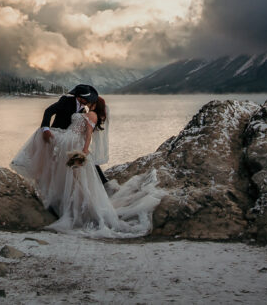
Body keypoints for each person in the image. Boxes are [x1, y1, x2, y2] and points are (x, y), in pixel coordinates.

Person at [11, 84, 162, 237]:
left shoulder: (86, 112)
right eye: (87, 99)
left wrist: (84, 148)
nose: (88, 102)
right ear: (80, 97)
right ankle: (37, 175)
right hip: (58, 138)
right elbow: (48, 111)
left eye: (91, 101)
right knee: (47, 150)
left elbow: (87, 133)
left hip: (69, 142)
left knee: (73, 170)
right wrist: (46, 128)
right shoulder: (66, 101)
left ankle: (67, 199)